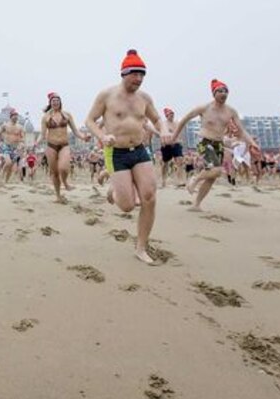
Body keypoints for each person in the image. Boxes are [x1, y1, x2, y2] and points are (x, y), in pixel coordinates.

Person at [85, 49, 168, 264]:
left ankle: (141, 247)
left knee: (149, 197)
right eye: (135, 74)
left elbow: (157, 120)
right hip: (116, 153)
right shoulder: (107, 96)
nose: (139, 79)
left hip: (140, 151)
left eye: (142, 75)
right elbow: (90, 120)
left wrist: (164, 130)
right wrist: (103, 136)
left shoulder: (145, 98)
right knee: (127, 206)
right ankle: (115, 188)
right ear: (124, 73)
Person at [172, 79, 260, 211]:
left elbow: (242, 131)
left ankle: (196, 204)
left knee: (212, 176)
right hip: (204, 140)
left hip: (218, 143)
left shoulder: (231, 111)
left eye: (226, 91)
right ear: (214, 93)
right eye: (220, 91)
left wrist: (252, 143)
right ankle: (195, 179)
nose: (223, 93)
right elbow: (184, 119)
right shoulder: (204, 108)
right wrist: (174, 137)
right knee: (217, 170)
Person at [38, 92, 89, 203]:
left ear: (60, 102)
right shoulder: (46, 117)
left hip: (64, 145)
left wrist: (84, 137)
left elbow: (75, 131)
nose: (55, 103)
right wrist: (36, 142)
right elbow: (42, 135)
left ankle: (65, 182)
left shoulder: (67, 115)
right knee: (55, 173)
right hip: (51, 146)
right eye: (53, 101)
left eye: (57, 101)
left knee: (64, 168)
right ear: (50, 103)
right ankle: (58, 196)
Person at [159, 108, 185, 188]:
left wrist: (181, 141)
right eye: (170, 114)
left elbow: (180, 133)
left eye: (173, 114)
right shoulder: (164, 124)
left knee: (180, 160)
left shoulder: (176, 123)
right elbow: (161, 134)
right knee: (165, 164)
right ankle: (163, 180)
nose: (172, 115)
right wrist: (162, 141)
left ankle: (180, 180)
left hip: (176, 144)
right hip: (166, 145)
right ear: (166, 116)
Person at [0, 109, 26, 183]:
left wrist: (22, 144)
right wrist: (0, 142)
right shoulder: (5, 125)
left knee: (10, 166)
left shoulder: (20, 127)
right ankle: (2, 174)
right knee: (8, 162)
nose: (15, 117)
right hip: (6, 146)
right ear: (11, 117)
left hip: (15, 147)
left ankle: (6, 181)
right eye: (14, 116)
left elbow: (23, 138)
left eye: (16, 116)